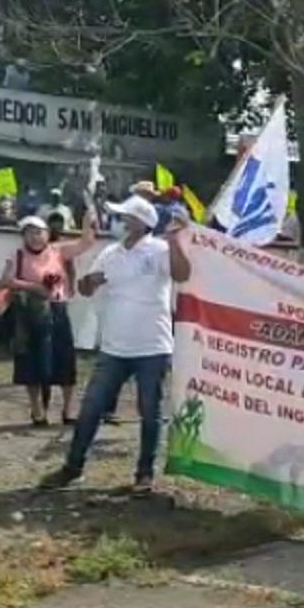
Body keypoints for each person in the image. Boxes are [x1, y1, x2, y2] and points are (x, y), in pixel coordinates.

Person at [37, 195, 191, 495]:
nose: (119, 222)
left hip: (152, 347)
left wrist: (175, 241)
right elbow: (84, 287)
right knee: (91, 408)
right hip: (114, 348)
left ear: (141, 222)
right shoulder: (110, 253)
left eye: (125, 217)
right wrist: (88, 283)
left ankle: (144, 474)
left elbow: (183, 274)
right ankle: (73, 467)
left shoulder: (159, 249)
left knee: (150, 412)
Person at [0, 212, 95, 425]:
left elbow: (86, 242)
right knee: (30, 363)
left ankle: (68, 410)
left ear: (47, 233)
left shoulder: (58, 251)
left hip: (57, 309)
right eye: (30, 233)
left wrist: (88, 220)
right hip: (30, 313)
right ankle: (37, 410)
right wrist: (33, 287)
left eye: (39, 232)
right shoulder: (18, 255)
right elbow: (7, 280)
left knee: (65, 360)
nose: (35, 237)